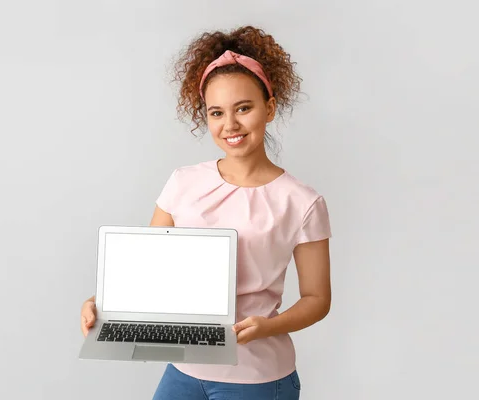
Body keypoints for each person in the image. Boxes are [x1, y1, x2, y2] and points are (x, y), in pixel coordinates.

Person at [81, 25, 332, 400]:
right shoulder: (183, 182)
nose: (229, 124)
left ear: (270, 108)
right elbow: (146, 272)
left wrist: (266, 326)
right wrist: (103, 303)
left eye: (243, 108)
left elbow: (317, 299)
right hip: (183, 369)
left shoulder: (301, 201)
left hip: (258, 377)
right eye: (216, 112)